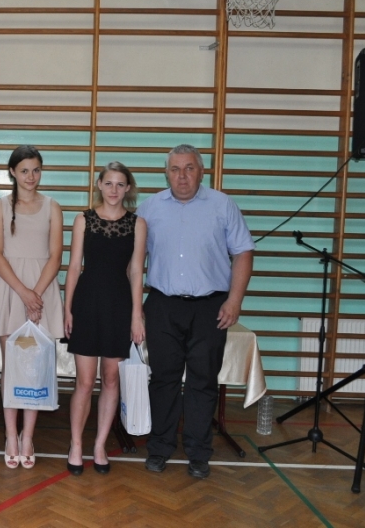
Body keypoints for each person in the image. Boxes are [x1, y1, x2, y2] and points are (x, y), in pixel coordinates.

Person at [138, 144, 254, 479]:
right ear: (166, 173)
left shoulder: (222, 205)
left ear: (201, 172)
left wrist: (235, 300)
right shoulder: (150, 208)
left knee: (203, 381)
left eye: (189, 168)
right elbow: (133, 261)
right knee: (163, 379)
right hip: (162, 305)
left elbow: (243, 252)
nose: (182, 176)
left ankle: (199, 453)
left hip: (210, 307)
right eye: (175, 169)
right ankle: (159, 447)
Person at [63, 162, 147, 476]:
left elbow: (136, 271)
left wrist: (137, 315)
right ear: (99, 184)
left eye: (120, 184)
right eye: (108, 183)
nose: (114, 189)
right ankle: (76, 445)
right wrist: (67, 308)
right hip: (86, 303)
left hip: (119, 306)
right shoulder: (83, 220)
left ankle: (99, 445)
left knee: (111, 379)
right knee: (85, 382)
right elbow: (74, 267)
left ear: (128, 188)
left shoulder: (138, 224)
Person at [0, 145, 64, 470]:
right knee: (12, 367)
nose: (31, 176)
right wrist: (24, 293)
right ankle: (11, 436)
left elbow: (56, 256)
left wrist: (37, 295)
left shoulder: (53, 206)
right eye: (25, 170)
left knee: (34, 367)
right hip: (11, 290)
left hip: (42, 291)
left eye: (36, 170)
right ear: (12, 173)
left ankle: (28, 436)